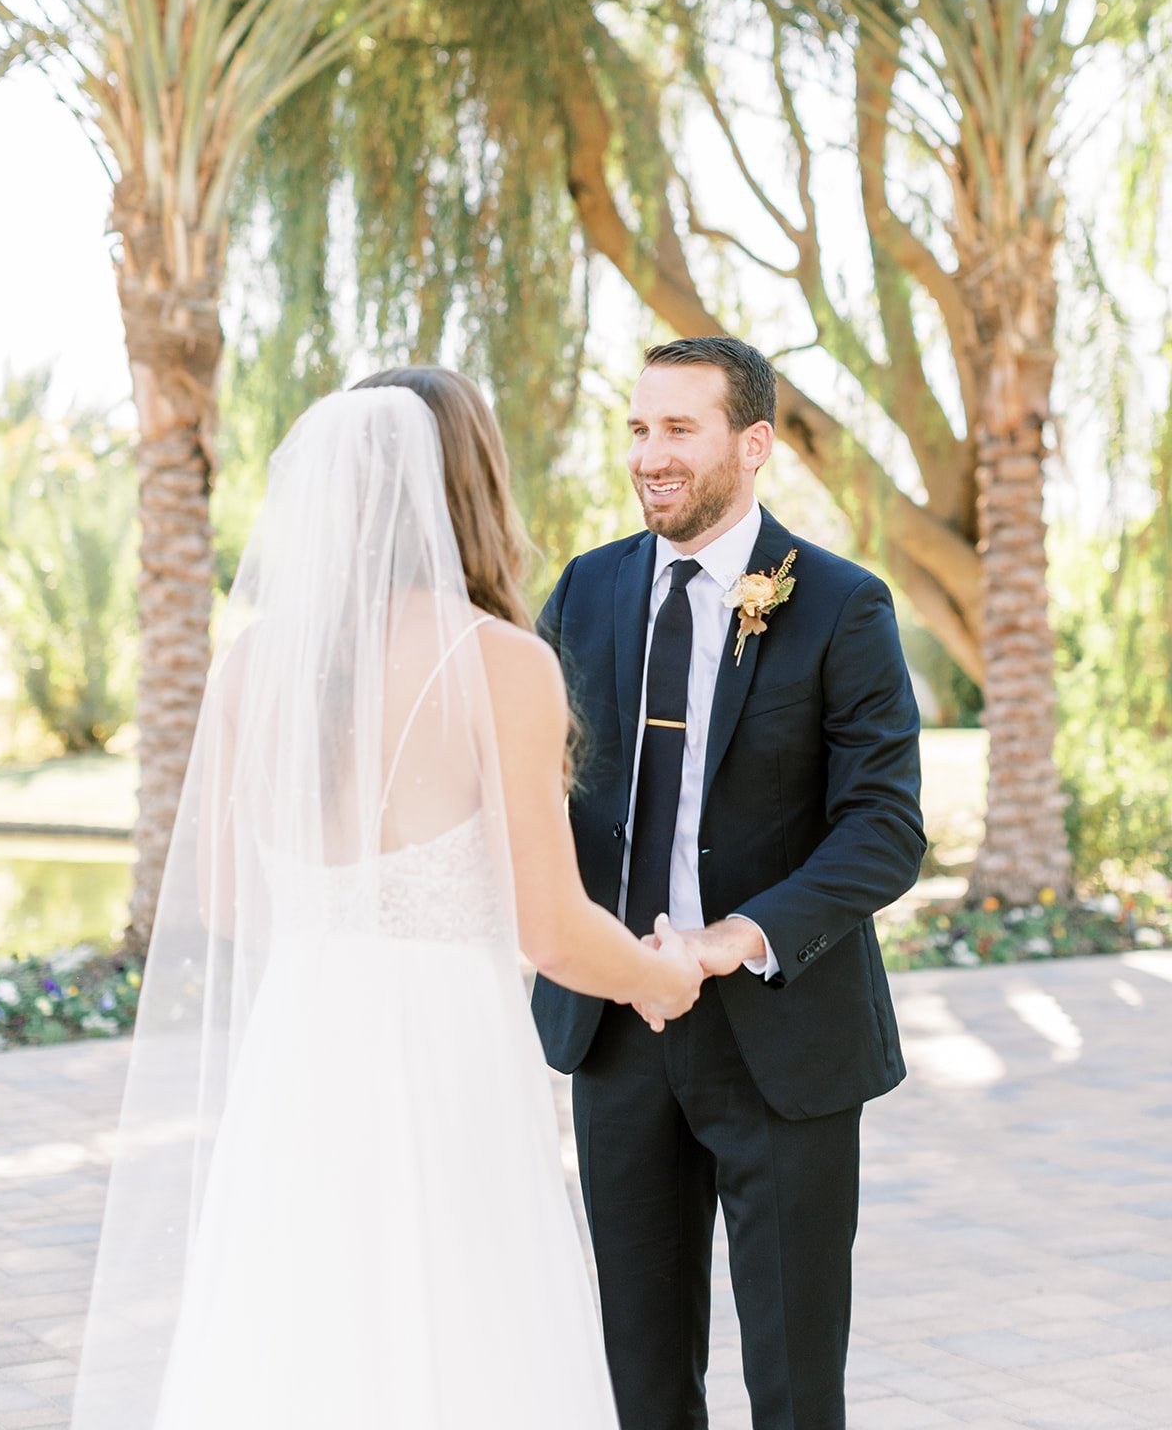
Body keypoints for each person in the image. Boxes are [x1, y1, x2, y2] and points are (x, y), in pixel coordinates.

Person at [70, 371, 701, 1430]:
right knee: (461, 1320)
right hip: (442, 1055)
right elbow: (552, 929)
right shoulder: (503, 663)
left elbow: (222, 898)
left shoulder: (252, 666)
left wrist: (341, 929)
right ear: (472, 486)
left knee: (301, 1327)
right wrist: (661, 974)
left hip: (301, 1045)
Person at [532, 336, 926, 1430]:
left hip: (783, 1038)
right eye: (637, 428)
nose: (648, 455)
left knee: (797, 1388)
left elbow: (886, 829)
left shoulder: (842, 605)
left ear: (753, 445)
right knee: (642, 1380)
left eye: (678, 429)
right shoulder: (586, 589)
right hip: (615, 1033)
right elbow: (530, 795)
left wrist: (725, 939)